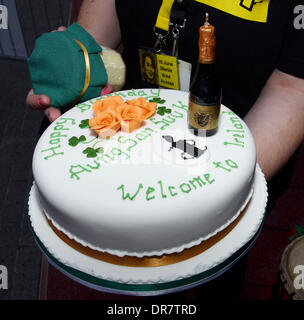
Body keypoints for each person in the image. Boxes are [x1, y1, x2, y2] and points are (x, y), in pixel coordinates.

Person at [26, 0, 304, 298]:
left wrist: (212, 194)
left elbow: (291, 86)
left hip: (241, 142)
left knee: (217, 265)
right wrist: (79, 65)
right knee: (145, 279)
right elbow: (101, 26)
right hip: (134, 134)